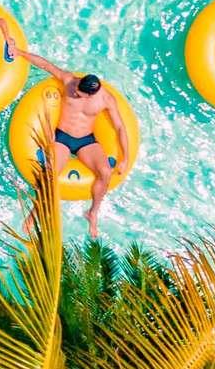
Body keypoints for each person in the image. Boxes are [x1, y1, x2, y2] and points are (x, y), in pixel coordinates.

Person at [16, 48, 133, 237]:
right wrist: (20, 53)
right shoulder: (70, 81)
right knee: (51, 174)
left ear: (91, 94)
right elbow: (46, 65)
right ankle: (34, 213)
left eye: (79, 94)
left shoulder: (106, 99)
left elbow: (120, 127)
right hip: (61, 137)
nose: (75, 93)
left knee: (105, 172)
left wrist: (125, 158)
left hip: (86, 141)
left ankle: (92, 213)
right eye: (76, 90)